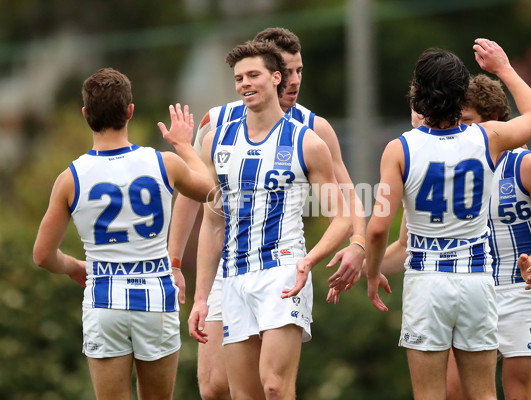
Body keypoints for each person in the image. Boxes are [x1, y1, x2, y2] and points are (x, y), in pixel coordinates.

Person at [169, 27, 365, 399]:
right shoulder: (218, 128)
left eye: (298, 71)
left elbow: (347, 199)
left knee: (274, 386)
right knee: (215, 387)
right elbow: (202, 200)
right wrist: (179, 267)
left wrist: (357, 242)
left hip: (282, 267)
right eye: (241, 77)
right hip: (232, 272)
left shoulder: (311, 131)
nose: (294, 81)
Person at [365, 39, 531, 399]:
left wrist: (372, 275)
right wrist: (504, 69)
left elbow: (376, 229)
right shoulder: (488, 136)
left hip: (427, 282)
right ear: (460, 94)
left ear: (418, 96)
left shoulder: (400, 148)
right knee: (483, 395)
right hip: (477, 281)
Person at [32, 68, 215, 400]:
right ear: (130, 111)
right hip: (156, 297)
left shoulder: (70, 178)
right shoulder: (165, 163)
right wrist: (185, 146)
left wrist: (74, 265)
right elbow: (209, 190)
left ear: (86, 115)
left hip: (104, 299)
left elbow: (43, 256)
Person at [445, 74, 531, 399]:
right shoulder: (454, 168)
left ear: (494, 122)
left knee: (519, 392)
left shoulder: (527, 166)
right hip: (471, 290)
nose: (462, 130)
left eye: (469, 122)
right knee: (453, 390)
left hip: (519, 292)